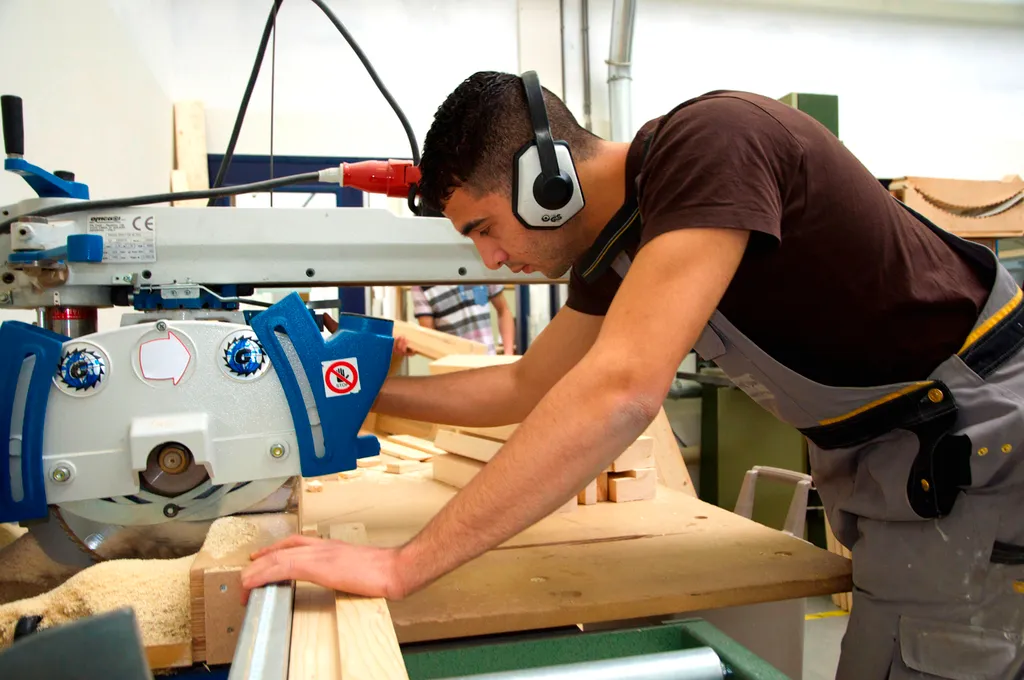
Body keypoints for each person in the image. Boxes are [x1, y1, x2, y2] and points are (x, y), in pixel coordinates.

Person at [242, 72, 1024, 679]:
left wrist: (402, 565)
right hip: (899, 459)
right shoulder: (621, 250)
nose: (489, 259)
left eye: (484, 227)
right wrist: (361, 393)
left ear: (544, 179)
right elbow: (525, 387)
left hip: (975, 437)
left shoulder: (710, 142)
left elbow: (621, 391)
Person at [411, 284, 516, 355]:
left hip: (489, 362)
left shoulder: (480, 266)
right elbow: (429, 339)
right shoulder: (421, 285)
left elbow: (503, 310)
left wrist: (508, 355)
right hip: (453, 370)